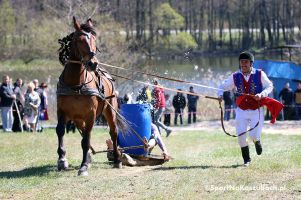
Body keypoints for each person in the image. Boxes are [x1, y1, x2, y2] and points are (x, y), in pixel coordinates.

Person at [217, 51, 274, 166]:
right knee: (241, 136)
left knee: (253, 135)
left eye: (246, 62)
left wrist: (262, 94)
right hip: (241, 110)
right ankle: (247, 160)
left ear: (251, 63)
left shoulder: (260, 74)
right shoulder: (235, 76)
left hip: (256, 110)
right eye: (241, 62)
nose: (243, 64)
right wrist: (220, 95)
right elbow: (223, 86)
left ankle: (257, 140)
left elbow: (269, 86)